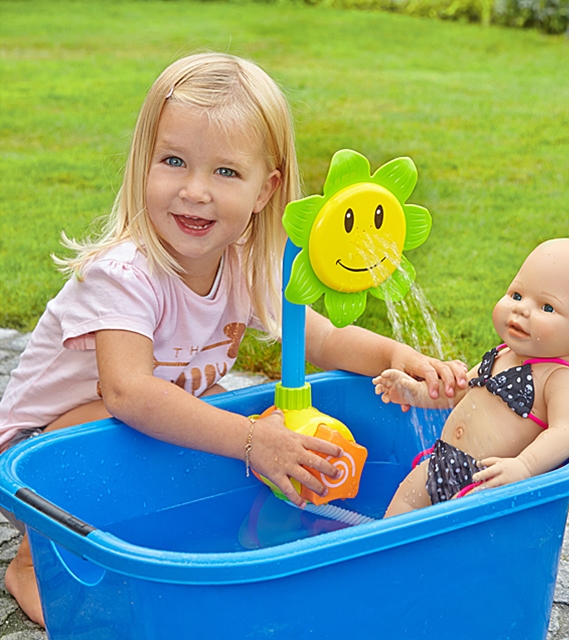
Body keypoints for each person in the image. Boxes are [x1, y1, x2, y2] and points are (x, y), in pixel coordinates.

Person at [0, 52, 467, 626]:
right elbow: (127, 393)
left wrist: (399, 356)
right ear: (142, 164)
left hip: (147, 433)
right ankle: (33, 560)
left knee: (217, 432)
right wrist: (252, 440)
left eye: (225, 172)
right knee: (166, 421)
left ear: (265, 189)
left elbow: (322, 339)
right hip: (38, 458)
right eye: (174, 161)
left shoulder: (244, 265)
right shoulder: (124, 274)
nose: (195, 191)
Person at [374, 238, 569, 518]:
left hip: (487, 482)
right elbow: (457, 393)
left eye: (547, 307)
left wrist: (524, 466)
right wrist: (414, 392)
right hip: (440, 462)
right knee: (397, 515)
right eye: (516, 295)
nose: (520, 309)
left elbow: (566, 432)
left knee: (453, 538)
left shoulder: (558, 379)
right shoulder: (500, 354)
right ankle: (385, 556)